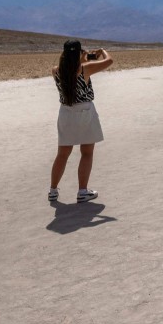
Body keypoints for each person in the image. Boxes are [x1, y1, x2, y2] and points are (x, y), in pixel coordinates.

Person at [50, 40, 113, 203]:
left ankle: (53, 190)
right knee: (86, 152)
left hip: (66, 113)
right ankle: (82, 191)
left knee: (62, 154)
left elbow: (71, 72)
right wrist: (103, 51)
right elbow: (109, 61)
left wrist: (82, 59)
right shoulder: (85, 69)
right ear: (78, 53)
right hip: (84, 113)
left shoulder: (56, 71)